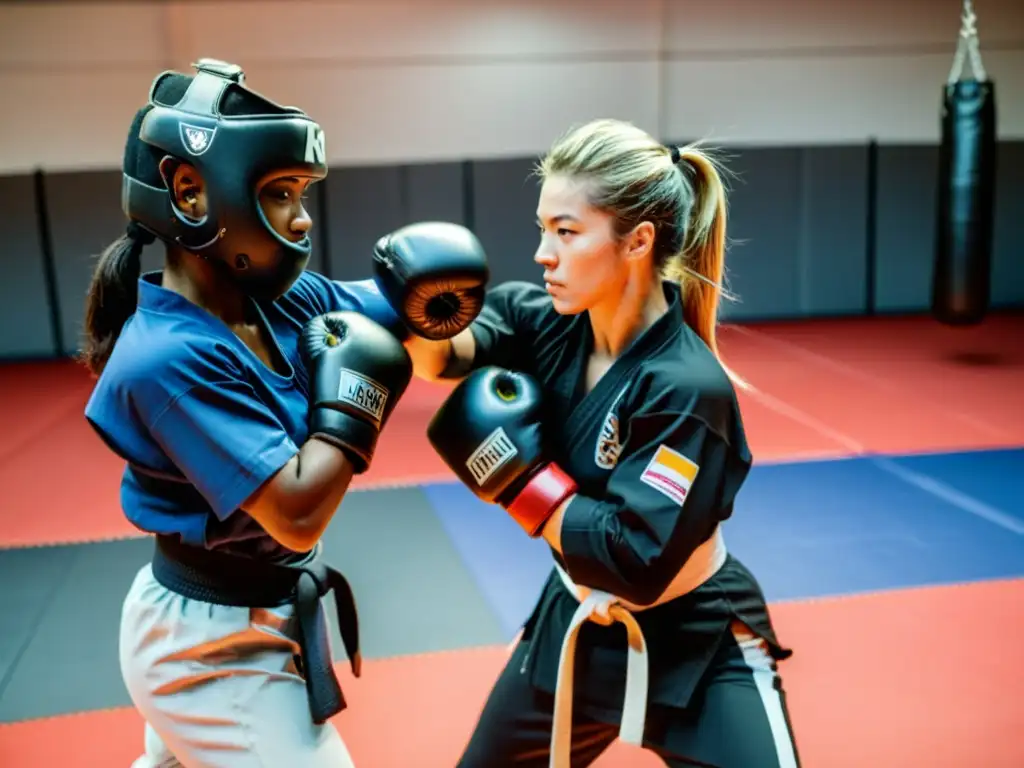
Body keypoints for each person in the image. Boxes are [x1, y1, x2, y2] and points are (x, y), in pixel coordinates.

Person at [81, 59, 488, 767]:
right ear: (190, 192)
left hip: (253, 611)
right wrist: (360, 397)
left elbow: (417, 326)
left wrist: (484, 329)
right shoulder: (167, 358)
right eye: (279, 194)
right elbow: (298, 511)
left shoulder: (279, 303)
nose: (301, 218)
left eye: (301, 193)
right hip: (208, 648)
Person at [405, 119, 802, 767]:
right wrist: (414, 306)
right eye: (542, 229)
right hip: (578, 627)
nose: (543, 253)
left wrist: (521, 484)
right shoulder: (545, 322)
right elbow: (442, 355)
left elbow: (633, 560)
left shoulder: (685, 388)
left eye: (566, 231)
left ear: (637, 241)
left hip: (694, 643)